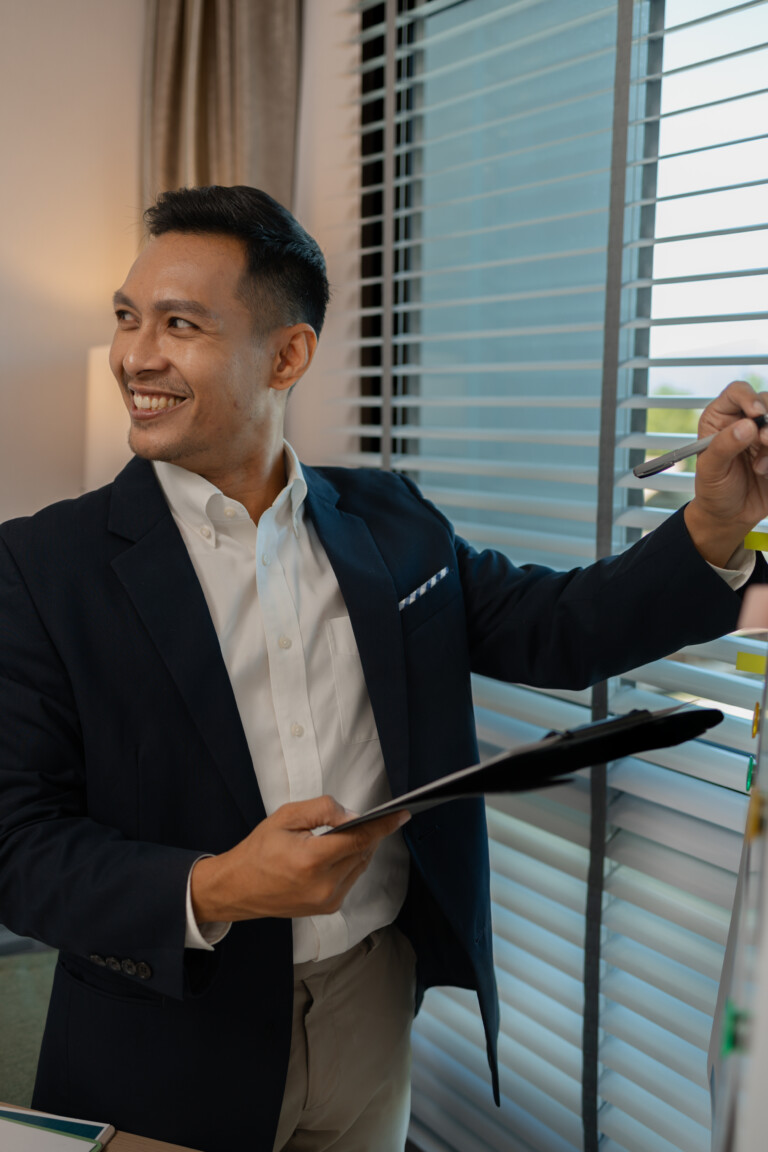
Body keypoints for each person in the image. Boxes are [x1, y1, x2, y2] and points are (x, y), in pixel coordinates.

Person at [0, 185, 766, 1152]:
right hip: (162, 1042)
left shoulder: (394, 525)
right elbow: (17, 850)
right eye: (128, 318)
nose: (135, 356)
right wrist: (223, 885)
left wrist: (712, 526)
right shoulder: (39, 568)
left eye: (180, 324)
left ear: (288, 355)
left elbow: (557, 629)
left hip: (372, 1001)